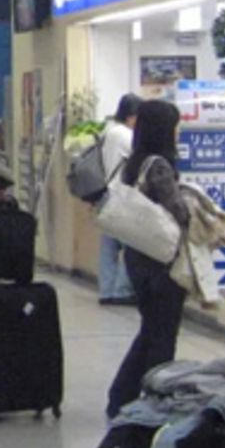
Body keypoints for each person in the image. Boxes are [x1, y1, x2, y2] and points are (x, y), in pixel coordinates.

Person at [106, 100, 192, 418]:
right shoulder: (159, 166)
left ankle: (121, 395)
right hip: (161, 261)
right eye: (175, 126)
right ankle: (156, 398)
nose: (178, 132)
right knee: (163, 335)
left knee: (150, 329)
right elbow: (177, 210)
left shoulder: (134, 163)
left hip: (138, 258)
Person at [97, 94, 142, 304]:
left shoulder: (108, 132)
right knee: (131, 244)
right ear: (132, 116)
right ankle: (122, 290)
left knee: (108, 248)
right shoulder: (126, 135)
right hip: (122, 197)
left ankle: (106, 290)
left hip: (107, 195)